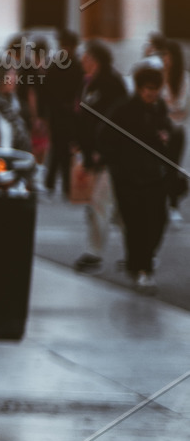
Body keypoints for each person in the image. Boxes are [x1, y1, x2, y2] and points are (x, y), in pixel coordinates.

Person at [105, 65, 178, 293]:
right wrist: (117, 165)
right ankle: (142, 269)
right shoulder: (123, 110)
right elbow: (106, 139)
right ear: (138, 88)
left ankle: (141, 262)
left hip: (154, 176)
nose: (152, 94)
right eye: (148, 89)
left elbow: (167, 133)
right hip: (128, 178)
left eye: (156, 90)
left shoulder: (159, 108)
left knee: (158, 219)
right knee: (136, 225)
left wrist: (165, 137)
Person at [72, 41, 128, 273]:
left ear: (96, 59)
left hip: (109, 155)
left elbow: (113, 121)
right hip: (98, 154)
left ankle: (94, 253)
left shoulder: (110, 83)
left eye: (86, 58)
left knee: (100, 203)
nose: (83, 62)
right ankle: (137, 253)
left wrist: (99, 150)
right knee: (118, 208)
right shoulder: (92, 82)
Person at [38, 29, 81, 196]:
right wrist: (43, 115)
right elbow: (45, 92)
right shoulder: (57, 66)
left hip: (69, 114)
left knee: (62, 148)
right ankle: (61, 185)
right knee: (58, 147)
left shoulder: (74, 66)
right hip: (59, 114)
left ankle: (57, 184)